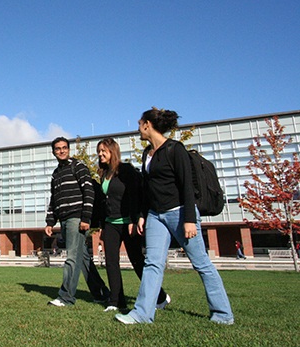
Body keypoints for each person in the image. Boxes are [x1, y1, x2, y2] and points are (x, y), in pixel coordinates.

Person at [115, 109, 234, 325]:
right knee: (152, 264)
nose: (138, 126)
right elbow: (148, 188)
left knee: (202, 264)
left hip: (179, 213)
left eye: (140, 122)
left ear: (147, 124)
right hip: (155, 216)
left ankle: (223, 314)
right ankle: (142, 314)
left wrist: (189, 219)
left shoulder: (175, 149)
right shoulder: (147, 153)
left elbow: (187, 186)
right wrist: (142, 215)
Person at [96, 138, 170, 312]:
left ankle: (160, 296)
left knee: (137, 261)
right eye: (99, 151)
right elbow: (104, 201)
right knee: (111, 262)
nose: (100, 154)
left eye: (103, 151)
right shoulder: (104, 174)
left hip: (127, 223)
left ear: (113, 151)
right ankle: (116, 301)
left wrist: (133, 219)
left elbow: (134, 195)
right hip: (110, 224)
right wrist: (101, 225)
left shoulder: (126, 170)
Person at [45, 137, 110, 306]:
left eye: (64, 147)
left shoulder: (78, 166)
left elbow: (89, 191)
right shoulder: (56, 174)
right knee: (83, 259)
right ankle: (102, 294)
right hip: (64, 220)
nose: (62, 151)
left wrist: (86, 218)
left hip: (77, 218)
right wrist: (50, 222)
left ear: (69, 149)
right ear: (53, 152)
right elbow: (54, 199)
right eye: (58, 148)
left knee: (72, 257)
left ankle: (66, 297)